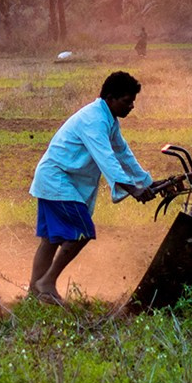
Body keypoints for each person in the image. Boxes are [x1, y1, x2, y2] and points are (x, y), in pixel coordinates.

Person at [28, 70, 156, 305]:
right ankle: (46, 283)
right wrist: (132, 188)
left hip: (56, 179)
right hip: (57, 179)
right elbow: (106, 157)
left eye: (133, 102)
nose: (131, 107)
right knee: (83, 231)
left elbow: (123, 153)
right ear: (110, 97)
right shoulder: (94, 120)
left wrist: (146, 182)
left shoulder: (109, 120)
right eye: (127, 102)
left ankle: (34, 292)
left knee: (51, 239)